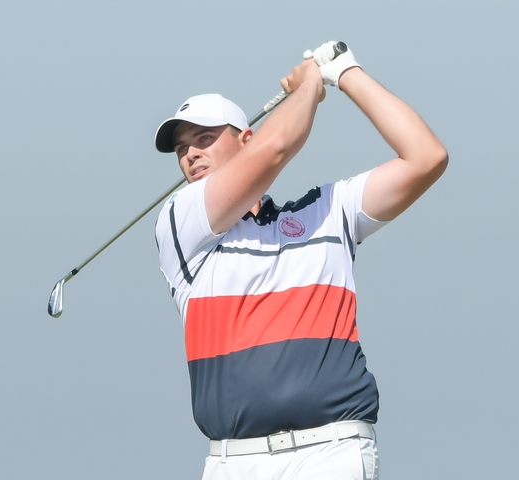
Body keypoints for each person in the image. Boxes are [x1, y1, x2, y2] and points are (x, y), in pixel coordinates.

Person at [153, 41, 448, 480]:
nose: (191, 154)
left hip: (332, 451)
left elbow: (427, 158)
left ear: (245, 139)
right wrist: (309, 85)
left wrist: (345, 73)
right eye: (182, 148)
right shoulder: (182, 221)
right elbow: (275, 147)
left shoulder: (328, 212)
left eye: (205, 139)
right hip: (234, 461)